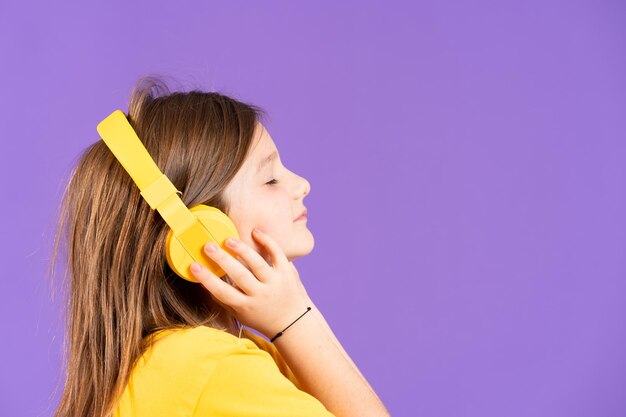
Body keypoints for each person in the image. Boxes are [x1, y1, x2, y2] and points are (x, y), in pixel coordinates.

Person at [50, 75, 391, 417]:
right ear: (197, 233)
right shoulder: (217, 369)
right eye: (270, 179)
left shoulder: (175, 362)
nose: (302, 184)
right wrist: (296, 319)